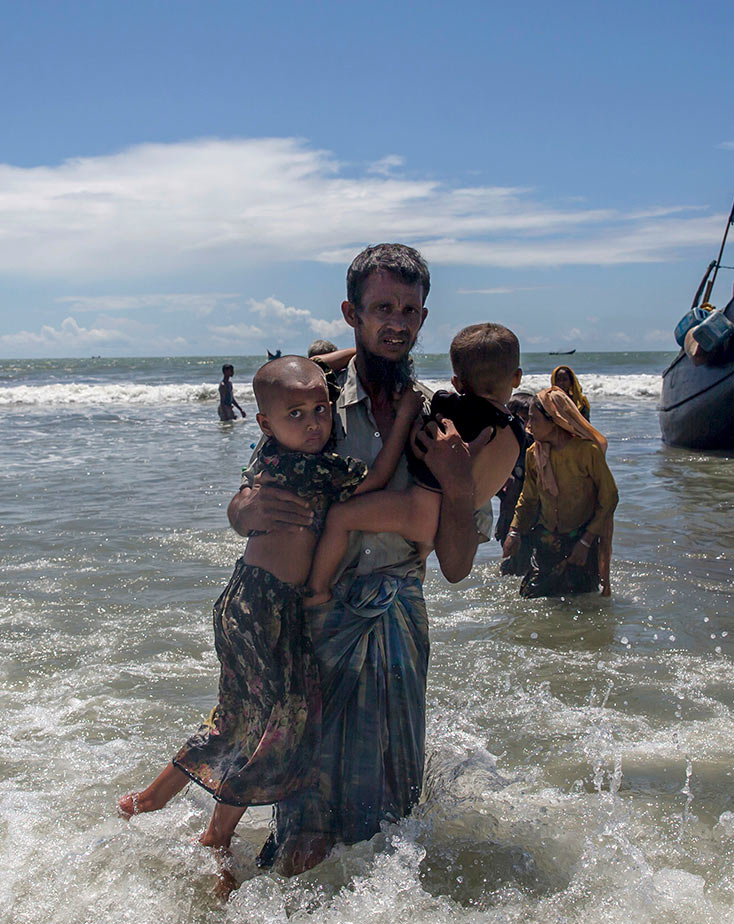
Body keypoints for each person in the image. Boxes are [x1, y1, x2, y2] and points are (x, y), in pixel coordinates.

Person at [228, 244, 486, 875]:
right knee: (305, 817)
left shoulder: (437, 418)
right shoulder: (312, 405)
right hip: (313, 622)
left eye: (409, 309)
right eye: (381, 308)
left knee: (390, 817)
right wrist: (245, 511)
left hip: (396, 617)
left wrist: (458, 484)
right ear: (352, 313)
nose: (395, 321)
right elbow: (245, 507)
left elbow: (456, 565)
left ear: (424, 318)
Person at [116, 355, 414, 897]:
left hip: (247, 603)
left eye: (322, 409)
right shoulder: (306, 466)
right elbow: (375, 479)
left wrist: (346, 355)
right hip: (266, 611)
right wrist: (405, 417)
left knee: (240, 715)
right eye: (296, 413)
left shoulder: (276, 453)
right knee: (278, 726)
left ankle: (152, 799)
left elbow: (306, 379)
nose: (315, 423)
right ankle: (215, 835)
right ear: (264, 424)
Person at [305, 323, 524, 605]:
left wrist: (409, 414)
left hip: (418, 507)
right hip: (443, 521)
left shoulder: (453, 410)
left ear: (457, 383)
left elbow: (425, 439)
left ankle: (318, 589)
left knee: (340, 516)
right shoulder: (515, 431)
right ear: (516, 377)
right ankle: (419, 554)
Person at [502, 388, 617, 597]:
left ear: (554, 420)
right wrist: (514, 532)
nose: (528, 426)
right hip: (547, 539)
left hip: (581, 540)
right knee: (530, 598)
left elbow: (609, 498)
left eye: (534, 420)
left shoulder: (586, 452)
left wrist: (586, 541)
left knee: (582, 604)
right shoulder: (533, 453)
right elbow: (528, 497)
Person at [496, 390, 535, 577]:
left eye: (530, 419)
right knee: (515, 562)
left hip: (528, 511)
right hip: (510, 509)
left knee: (524, 559)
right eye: (520, 419)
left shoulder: (533, 443)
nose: (526, 425)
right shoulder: (505, 442)